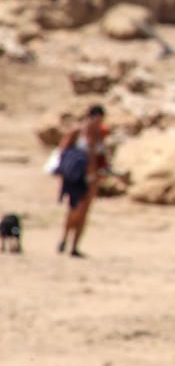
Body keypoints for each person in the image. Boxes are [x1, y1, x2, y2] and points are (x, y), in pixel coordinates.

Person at [57, 104, 109, 258]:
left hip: (93, 178)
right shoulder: (77, 132)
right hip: (76, 177)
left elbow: (101, 155)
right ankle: (64, 238)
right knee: (74, 210)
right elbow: (63, 150)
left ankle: (75, 246)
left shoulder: (100, 134)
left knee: (85, 212)